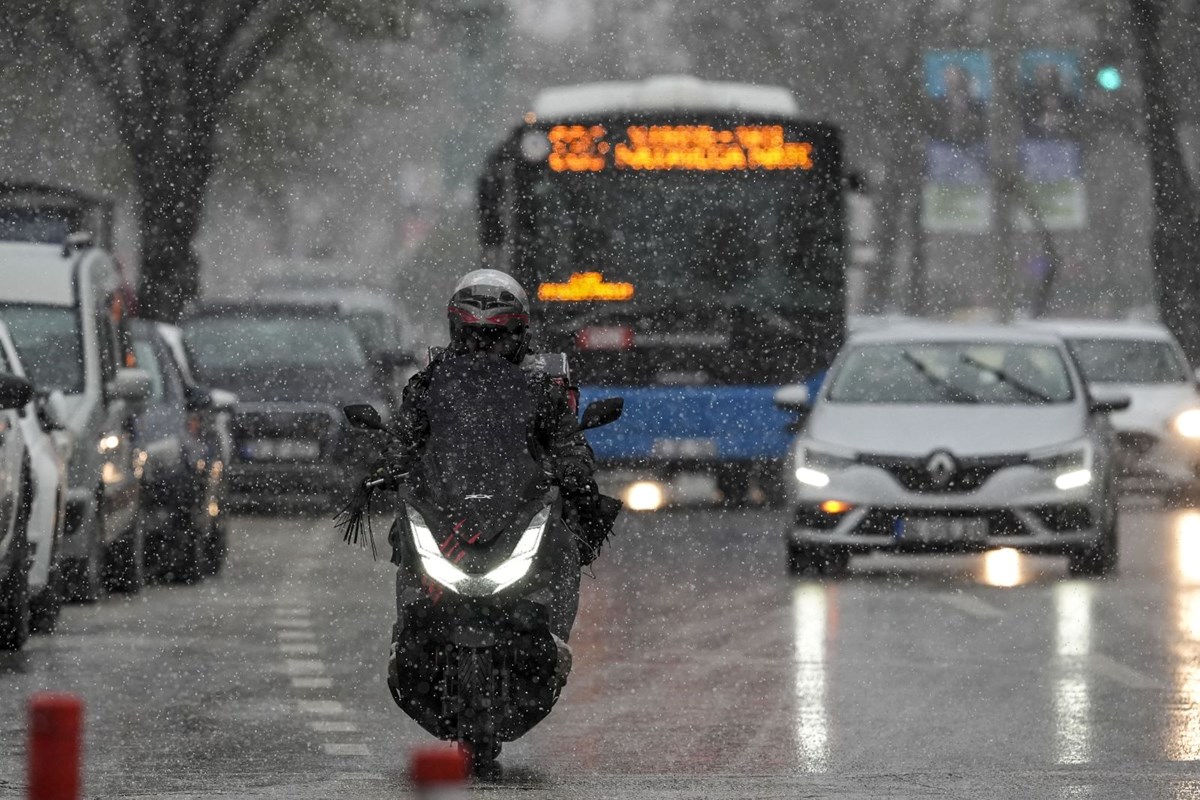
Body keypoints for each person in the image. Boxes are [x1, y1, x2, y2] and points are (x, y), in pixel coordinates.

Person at [374, 268, 616, 567]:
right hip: (447, 505)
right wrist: (392, 463)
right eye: (472, 337)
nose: (483, 348)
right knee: (405, 540)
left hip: (524, 506)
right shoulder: (430, 385)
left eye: (494, 338)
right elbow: (403, 432)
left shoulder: (541, 389)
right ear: (456, 333)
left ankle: (558, 594)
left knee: (570, 537)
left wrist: (573, 467)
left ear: (519, 335)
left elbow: (568, 440)